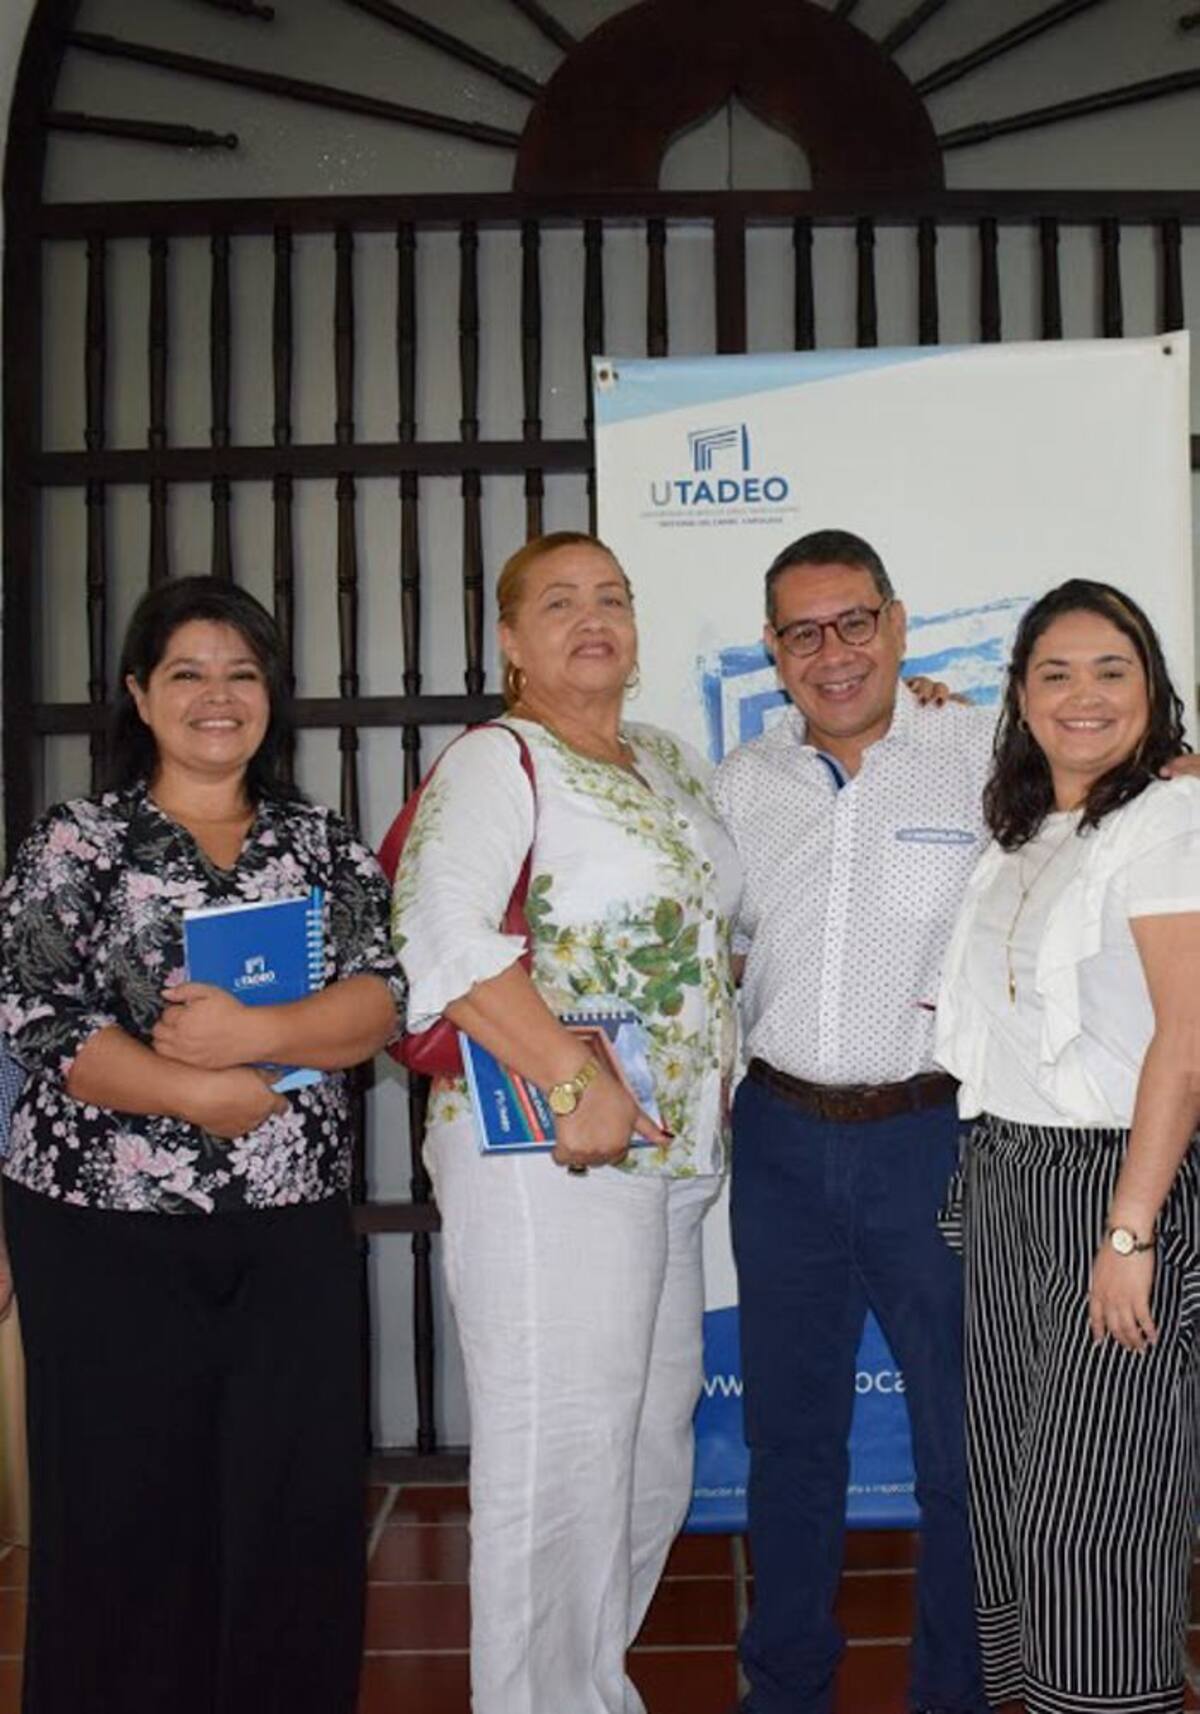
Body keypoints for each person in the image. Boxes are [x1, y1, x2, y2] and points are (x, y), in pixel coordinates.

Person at [0, 576, 405, 1714]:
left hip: (287, 1228)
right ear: (138, 693)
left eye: (242, 672)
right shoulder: (79, 840)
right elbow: (34, 1011)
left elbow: (381, 999)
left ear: (271, 692)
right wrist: (194, 1091)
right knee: (122, 1509)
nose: (218, 696)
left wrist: (262, 1035)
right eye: (187, 672)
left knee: (292, 1501)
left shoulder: (318, 842)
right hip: (100, 1234)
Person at [391, 529, 740, 1714]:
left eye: (614, 598)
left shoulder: (671, 762)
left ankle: (587, 1685)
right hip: (545, 1148)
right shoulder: (501, 759)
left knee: (645, 1454)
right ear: (510, 640)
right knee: (557, 1455)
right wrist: (570, 1076)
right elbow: (437, 928)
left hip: (675, 1158)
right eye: (559, 601)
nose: (594, 619)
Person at [712, 528, 993, 1714]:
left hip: (933, 1140)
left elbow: (1132, 785)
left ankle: (955, 1693)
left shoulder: (983, 750)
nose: (834, 653)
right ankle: (784, 1689)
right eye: (803, 632)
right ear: (774, 651)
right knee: (790, 1445)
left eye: (855, 622)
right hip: (778, 1141)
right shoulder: (739, 784)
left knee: (960, 1451)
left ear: (899, 622)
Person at [935, 580, 1200, 1714]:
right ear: (1022, 697)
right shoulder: (1028, 824)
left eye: (1111, 671)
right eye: (1056, 672)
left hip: (1115, 1186)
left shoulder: (1170, 821)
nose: (1083, 696)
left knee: (1096, 1510)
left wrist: (1130, 1231)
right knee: (1009, 1492)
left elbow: (1186, 1044)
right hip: (1008, 1184)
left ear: (1153, 689)